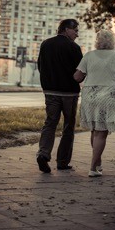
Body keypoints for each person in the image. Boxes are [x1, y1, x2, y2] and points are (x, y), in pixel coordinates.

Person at [73, 29, 115, 177]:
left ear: (97, 41)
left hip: (90, 95)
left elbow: (77, 77)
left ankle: (98, 163)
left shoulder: (89, 55)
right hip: (108, 96)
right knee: (101, 134)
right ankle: (92, 168)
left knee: (95, 131)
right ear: (112, 41)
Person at [36, 19, 83, 173]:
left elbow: (40, 66)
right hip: (70, 93)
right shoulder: (74, 48)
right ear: (65, 29)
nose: (77, 34)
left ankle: (43, 154)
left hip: (50, 92)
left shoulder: (45, 44)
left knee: (50, 123)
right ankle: (62, 161)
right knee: (68, 126)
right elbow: (79, 72)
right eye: (75, 30)